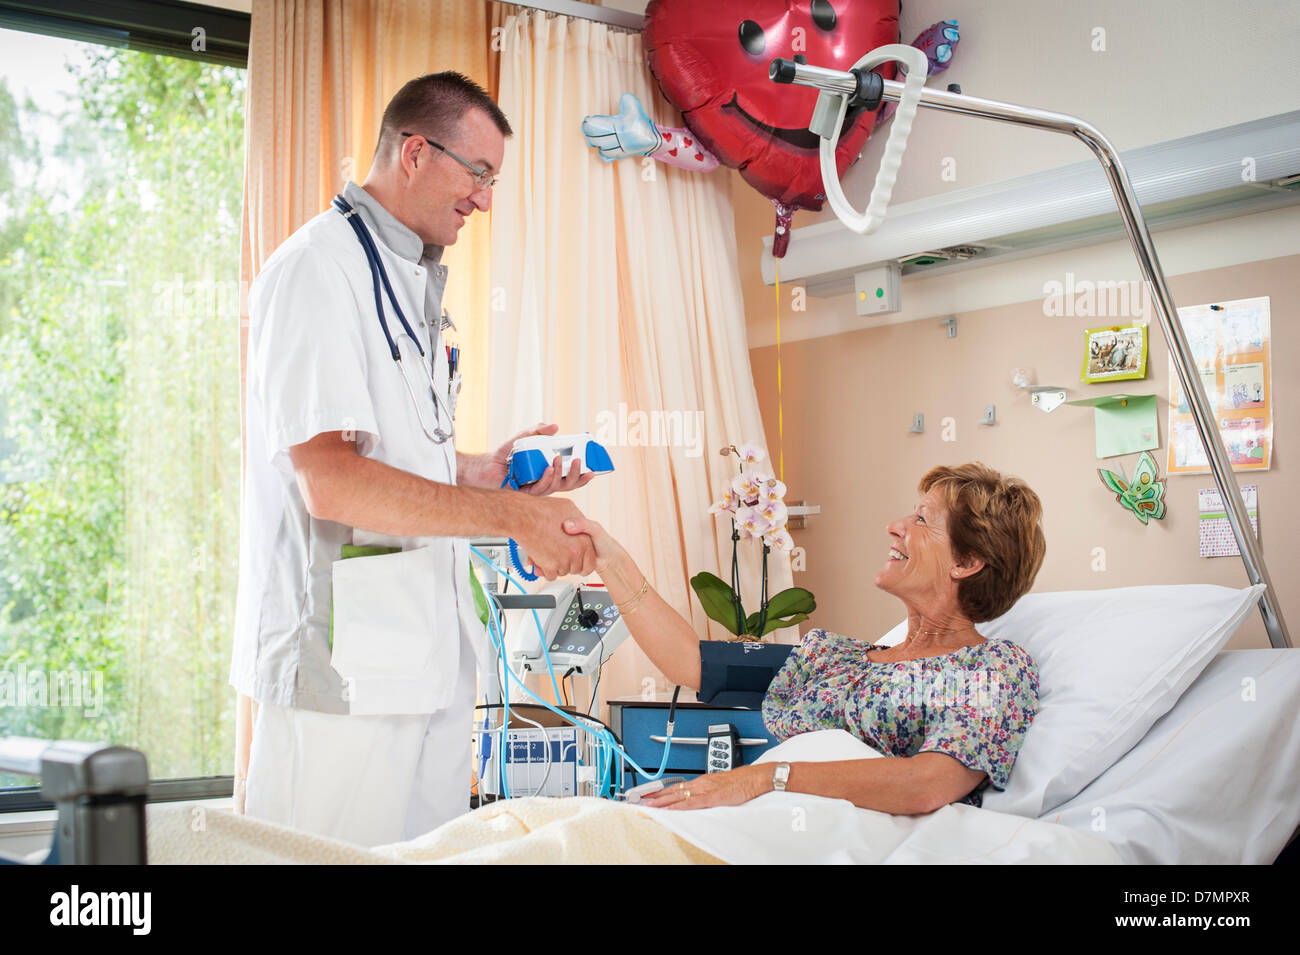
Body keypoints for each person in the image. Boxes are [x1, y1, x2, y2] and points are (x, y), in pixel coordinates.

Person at [230, 72, 599, 847]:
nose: (485, 199)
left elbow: (392, 449)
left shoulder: (412, 276)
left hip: (423, 665)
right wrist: (515, 515)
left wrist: (486, 472)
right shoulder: (316, 271)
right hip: (344, 674)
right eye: (480, 173)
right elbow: (330, 481)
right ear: (416, 151)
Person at [564, 462, 1046, 814]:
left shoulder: (991, 669)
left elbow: (926, 784)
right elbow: (692, 661)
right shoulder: (833, 656)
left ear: (966, 563)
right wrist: (611, 560)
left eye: (921, 519)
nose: (894, 526)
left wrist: (761, 780)